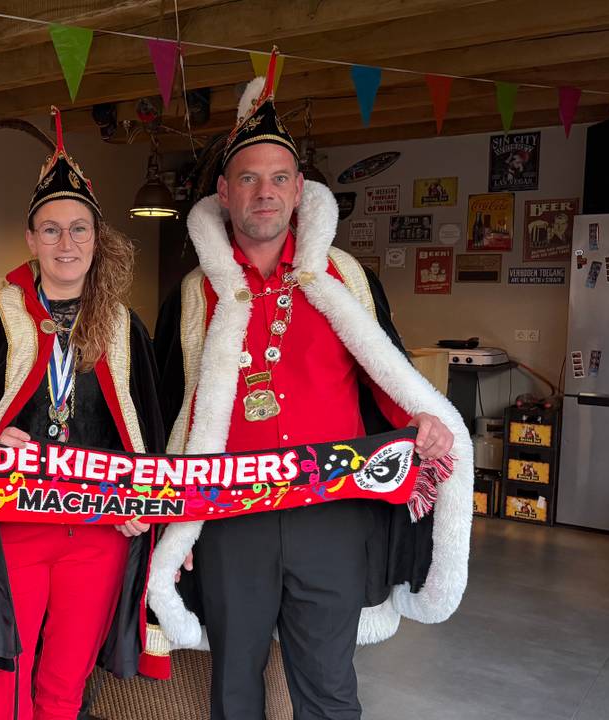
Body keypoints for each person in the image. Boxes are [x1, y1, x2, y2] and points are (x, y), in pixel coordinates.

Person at [146, 75, 474, 720]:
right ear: (224, 192)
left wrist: (422, 421)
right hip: (227, 515)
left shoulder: (345, 277)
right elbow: (166, 409)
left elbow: (388, 372)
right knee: (234, 682)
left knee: (327, 683)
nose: (263, 192)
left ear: (299, 190)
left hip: (331, 512)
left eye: (278, 178)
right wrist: (164, 517)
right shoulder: (190, 294)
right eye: (247, 178)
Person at [0, 108, 169, 719]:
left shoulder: (124, 326)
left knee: (64, 687)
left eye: (78, 230)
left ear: (97, 238)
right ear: (30, 238)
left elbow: (149, 431)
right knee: (0, 684)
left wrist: (147, 503)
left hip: (98, 533)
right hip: (14, 525)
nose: (66, 244)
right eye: (51, 230)